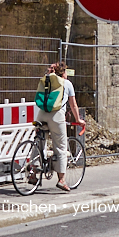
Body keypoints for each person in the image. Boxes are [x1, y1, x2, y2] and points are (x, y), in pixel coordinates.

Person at [34, 62, 84, 192]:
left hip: (41, 114)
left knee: (39, 143)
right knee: (61, 147)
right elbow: (73, 105)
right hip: (56, 116)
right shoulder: (67, 84)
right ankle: (61, 180)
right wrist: (78, 119)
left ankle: (33, 172)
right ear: (62, 73)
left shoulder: (46, 80)